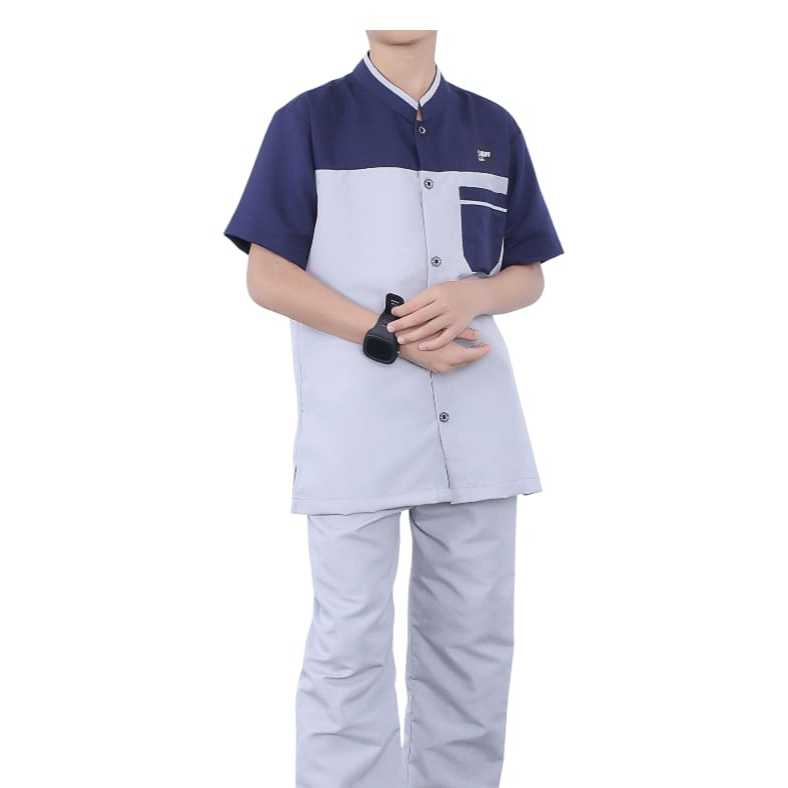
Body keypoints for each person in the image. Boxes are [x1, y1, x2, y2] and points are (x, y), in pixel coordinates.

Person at [225, 29, 562, 788]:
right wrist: (389, 335)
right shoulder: (308, 122)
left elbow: (528, 273)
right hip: (356, 430)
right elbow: (267, 277)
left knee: (472, 651)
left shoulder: (493, 126)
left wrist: (475, 296)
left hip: (478, 427)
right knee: (349, 651)